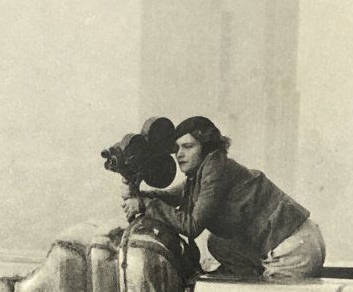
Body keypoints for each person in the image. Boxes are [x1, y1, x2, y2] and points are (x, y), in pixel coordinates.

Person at [122, 115, 325, 280]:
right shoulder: (204, 173)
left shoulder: (214, 169)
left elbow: (191, 225)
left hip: (294, 247)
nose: (179, 154)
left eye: (188, 146)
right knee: (218, 243)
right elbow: (172, 196)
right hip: (295, 241)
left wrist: (145, 204)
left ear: (206, 147)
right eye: (177, 148)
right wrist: (138, 193)